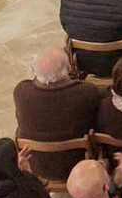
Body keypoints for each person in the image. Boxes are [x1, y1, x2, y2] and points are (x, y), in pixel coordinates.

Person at [13, 45, 101, 184]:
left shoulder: (21, 92)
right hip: (77, 164)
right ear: (67, 69)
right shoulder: (86, 92)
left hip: (38, 165)